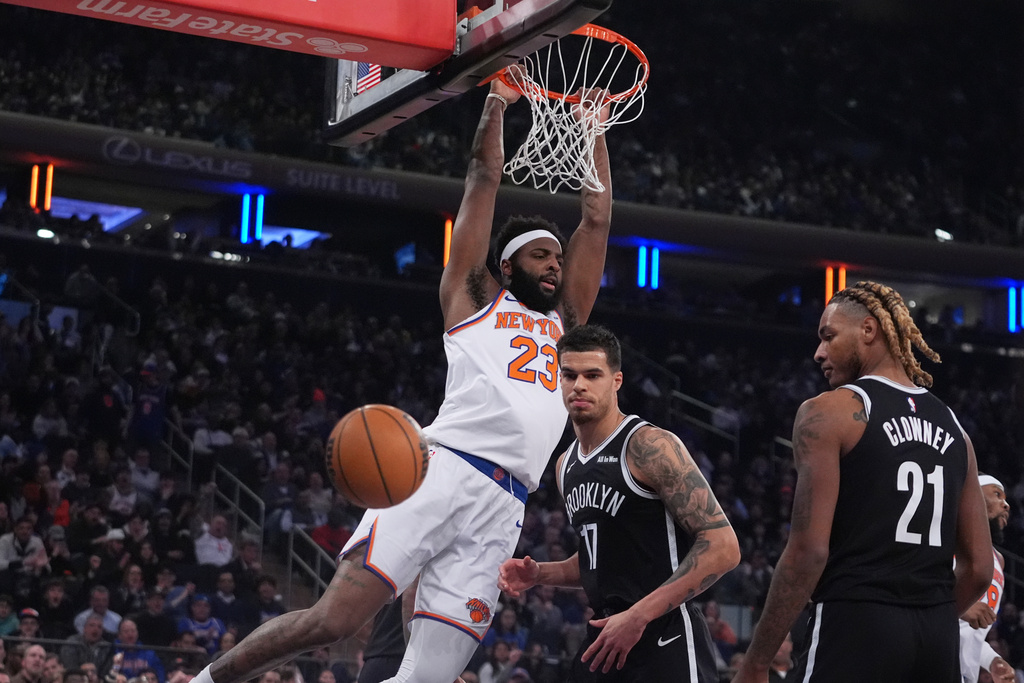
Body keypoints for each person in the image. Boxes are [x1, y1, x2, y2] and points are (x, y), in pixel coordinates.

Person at [193, 72, 614, 683]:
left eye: (556, 256)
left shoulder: (566, 321)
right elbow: (482, 179)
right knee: (333, 620)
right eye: (539, 254)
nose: (554, 264)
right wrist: (496, 102)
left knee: (427, 678)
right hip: (439, 471)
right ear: (507, 264)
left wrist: (595, 128)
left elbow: (596, 223)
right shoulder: (473, 298)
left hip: (504, 507)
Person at [732, 281, 993, 683]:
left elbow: (808, 551)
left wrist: (756, 661)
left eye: (828, 336)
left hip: (855, 620)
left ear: (868, 330)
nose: (818, 352)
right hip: (937, 634)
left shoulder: (831, 411)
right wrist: (925, 613)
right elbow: (978, 568)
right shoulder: (955, 426)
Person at [498, 324, 740, 681]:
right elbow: (602, 557)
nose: (579, 384)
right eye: (569, 374)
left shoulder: (648, 445)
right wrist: (541, 574)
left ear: (617, 381)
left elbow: (723, 547)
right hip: (607, 633)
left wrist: (639, 615)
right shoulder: (567, 463)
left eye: (593, 375)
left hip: (663, 630)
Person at [959, 474, 1014, 683]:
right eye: (997, 495)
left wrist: (992, 661)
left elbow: (970, 635)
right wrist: (958, 605)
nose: (1006, 505)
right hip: (924, 663)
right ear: (972, 496)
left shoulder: (998, 562)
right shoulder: (944, 539)